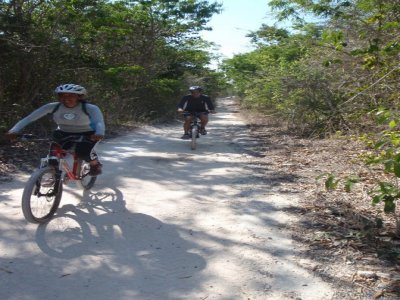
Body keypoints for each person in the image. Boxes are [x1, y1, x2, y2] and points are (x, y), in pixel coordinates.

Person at [5, 84, 105, 175]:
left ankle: (95, 165)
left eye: (70, 95)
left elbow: (99, 122)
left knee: (82, 152)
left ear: (79, 97)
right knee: (53, 156)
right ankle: (53, 176)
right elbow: (30, 118)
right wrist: (14, 130)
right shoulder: (53, 107)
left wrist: (99, 133)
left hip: (88, 133)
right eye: (62, 95)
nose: (66, 98)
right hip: (63, 132)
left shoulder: (90, 108)